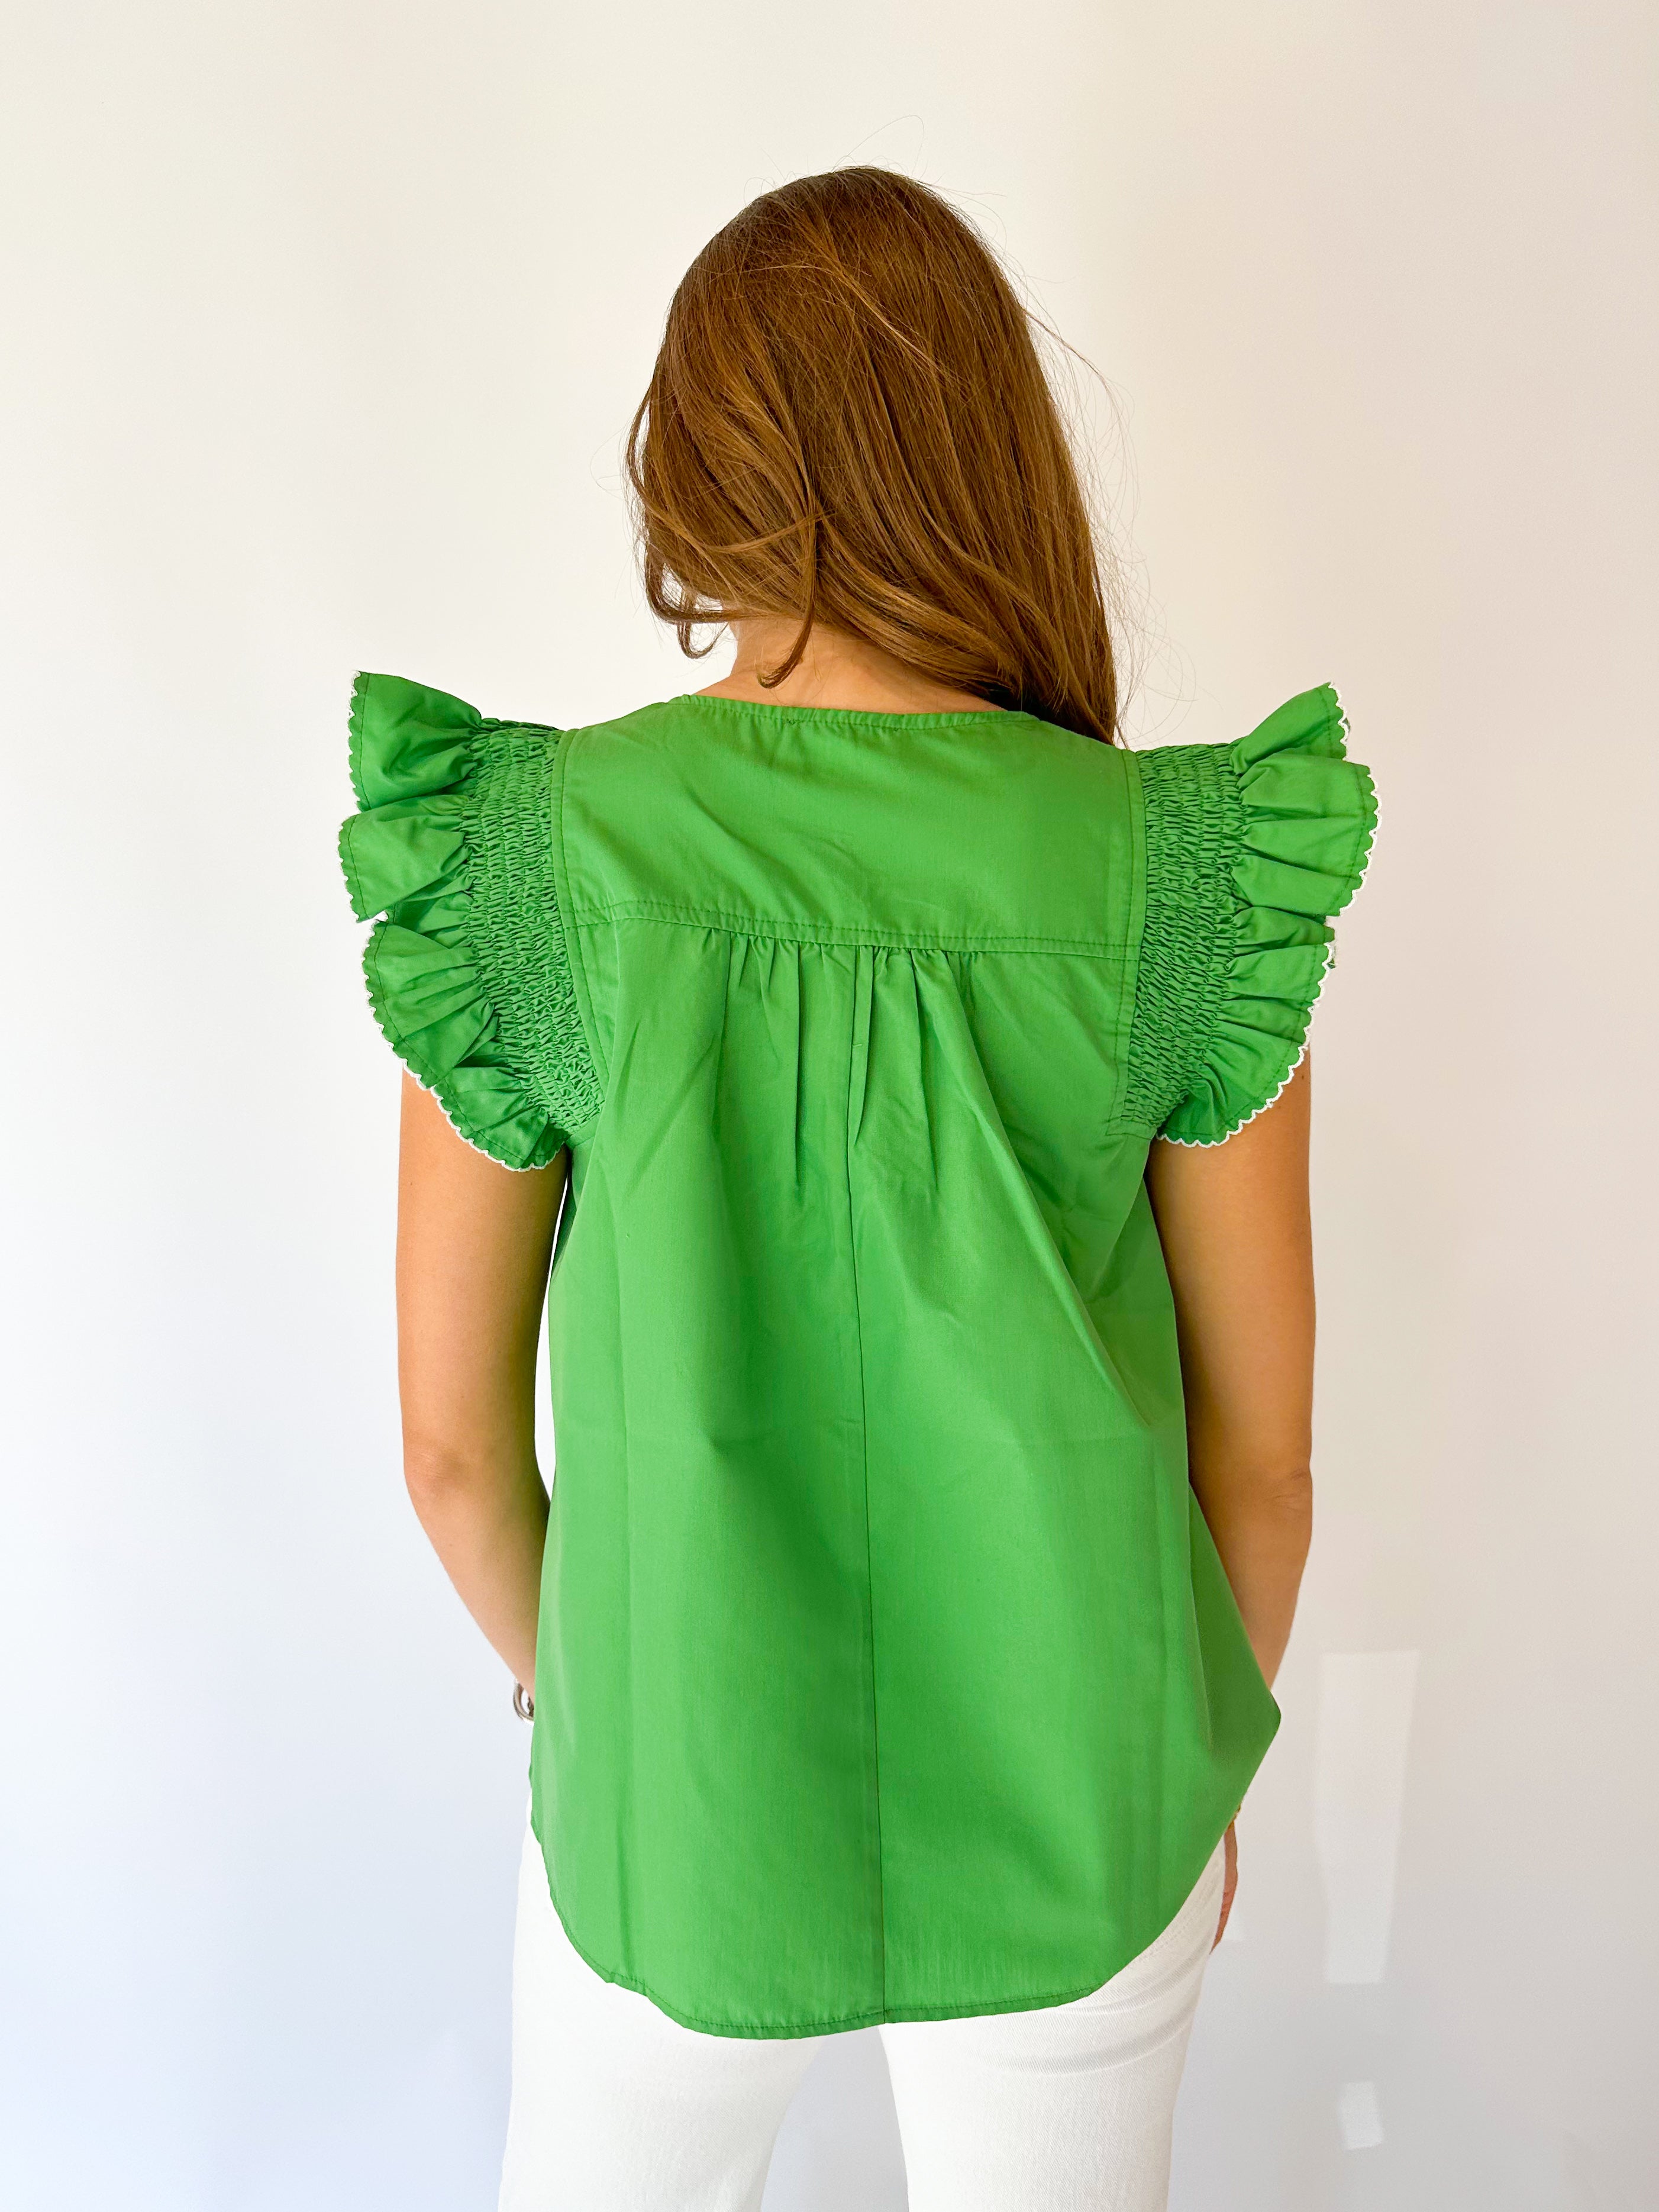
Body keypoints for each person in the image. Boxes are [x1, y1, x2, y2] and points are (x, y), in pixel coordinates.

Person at [338, 167, 1376, 2212]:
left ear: (692, 470)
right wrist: (1186, 1760)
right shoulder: (1179, 872)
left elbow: (451, 1455)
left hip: (670, 1813)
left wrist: (595, 1702)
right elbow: (1262, 1464)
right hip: (1080, 1810)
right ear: (992, 456)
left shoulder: (533, 857)